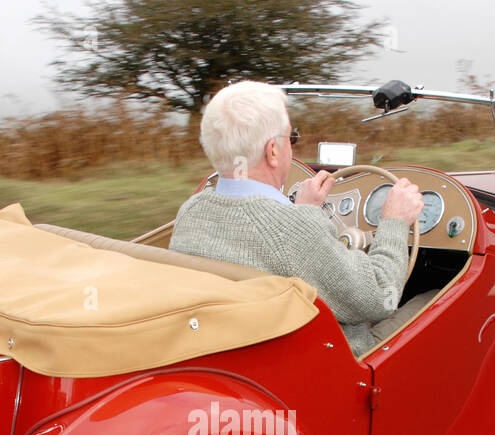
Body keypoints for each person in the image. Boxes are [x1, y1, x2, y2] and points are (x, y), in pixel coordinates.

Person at [169, 81, 424, 354]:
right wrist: (395, 221)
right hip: (335, 363)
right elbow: (379, 297)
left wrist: (306, 210)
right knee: (430, 298)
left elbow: (276, 249)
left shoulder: (191, 211)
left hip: (238, 353)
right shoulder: (292, 230)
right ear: (273, 152)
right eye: (291, 138)